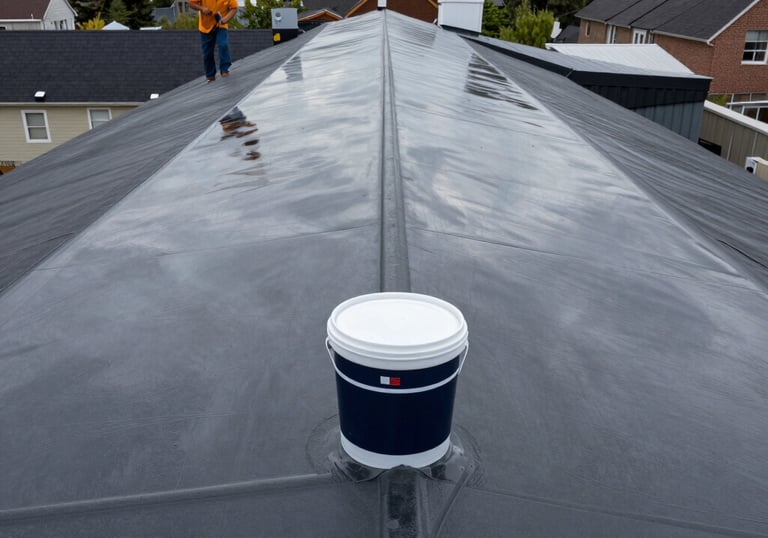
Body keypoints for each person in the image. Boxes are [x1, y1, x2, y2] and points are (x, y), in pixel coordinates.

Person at [190, 0, 239, 83]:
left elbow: (234, 8)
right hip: (206, 26)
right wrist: (202, 9)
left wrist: (224, 20)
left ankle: (224, 70)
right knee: (207, 53)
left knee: (223, 44)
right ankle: (210, 75)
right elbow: (191, 3)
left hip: (221, 24)